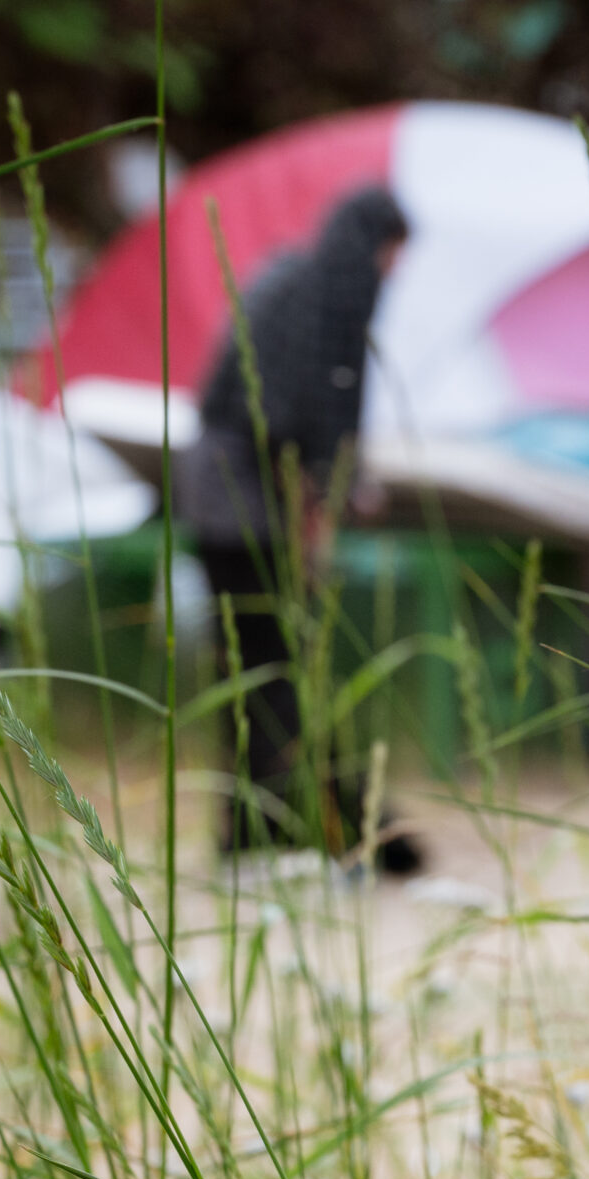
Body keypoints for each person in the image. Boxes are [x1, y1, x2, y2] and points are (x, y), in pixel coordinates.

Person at [180, 186, 424, 873]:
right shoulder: (319, 300)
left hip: (225, 496)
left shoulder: (288, 281)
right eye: (389, 258)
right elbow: (285, 428)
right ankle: (278, 834)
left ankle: (276, 830)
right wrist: (314, 522)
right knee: (272, 676)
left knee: (262, 675)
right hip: (244, 503)